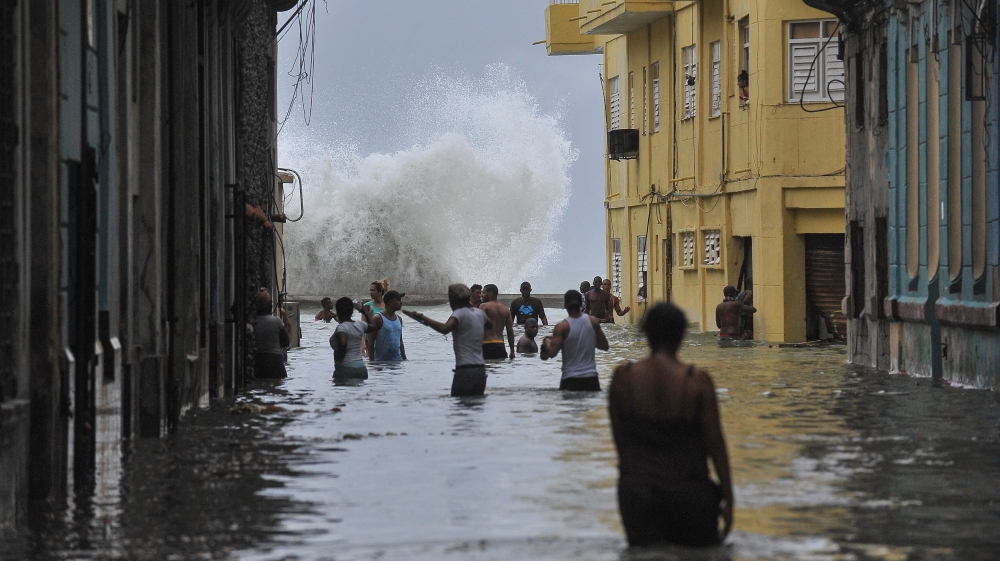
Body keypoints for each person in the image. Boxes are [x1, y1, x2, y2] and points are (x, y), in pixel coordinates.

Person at [609, 303, 733, 547]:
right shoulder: (697, 381)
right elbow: (715, 444)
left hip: (638, 493)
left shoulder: (623, 378)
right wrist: (729, 499)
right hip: (689, 494)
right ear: (681, 334)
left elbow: (621, 441)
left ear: (646, 333)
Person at [403, 284, 492, 397]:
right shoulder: (479, 313)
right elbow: (490, 325)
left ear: (453, 299)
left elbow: (445, 329)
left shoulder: (459, 313)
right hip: (480, 371)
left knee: (460, 409)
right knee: (477, 406)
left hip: (465, 371)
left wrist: (422, 317)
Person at [540, 290, 609, 391]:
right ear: (581, 304)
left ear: (565, 305)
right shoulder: (593, 322)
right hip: (591, 378)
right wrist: (588, 339)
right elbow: (604, 346)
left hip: (570, 379)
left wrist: (547, 343)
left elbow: (551, 353)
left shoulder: (562, 327)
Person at [331, 297, 377, 380]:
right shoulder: (360, 325)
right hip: (361, 367)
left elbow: (343, 343)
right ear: (352, 311)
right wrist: (364, 312)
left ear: (337, 312)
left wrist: (339, 360)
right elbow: (374, 327)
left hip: (346, 367)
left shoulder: (341, 328)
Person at [254, 289, 289, 379]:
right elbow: (285, 342)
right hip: (275, 360)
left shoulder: (252, 323)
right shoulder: (277, 321)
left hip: (257, 360)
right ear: (270, 306)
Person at [479, 284, 515, 359]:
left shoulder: (483, 306)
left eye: (483, 292)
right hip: (500, 345)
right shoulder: (506, 310)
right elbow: (510, 331)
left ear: (490, 294)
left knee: (486, 369)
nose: (481, 295)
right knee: (499, 369)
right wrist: (512, 351)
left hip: (486, 345)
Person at [369, 290, 407, 361]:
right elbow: (371, 342)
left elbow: (400, 341)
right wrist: (372, 363)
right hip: (381, 363)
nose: (401, 302)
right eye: (398, 300)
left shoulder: (399, 319)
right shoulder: (378, 318)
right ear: (390, 302)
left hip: (397, 362)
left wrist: (404, 358)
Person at [364, 279, 389, 356]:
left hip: (384, 340)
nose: (370, 292)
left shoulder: (387, 305)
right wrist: (362, 344)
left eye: (373, 290)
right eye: (370, 290)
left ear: (380, 292)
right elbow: (362, 326)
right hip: (370, 340)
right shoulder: (367, 306)